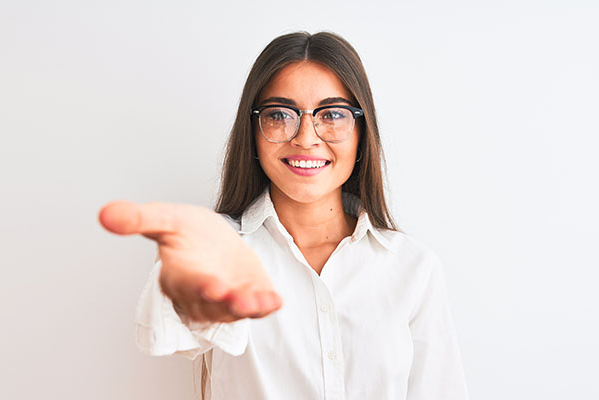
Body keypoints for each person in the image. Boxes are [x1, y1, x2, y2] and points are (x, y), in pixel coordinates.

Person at [99, 31, 469, 400]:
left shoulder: (412, 268)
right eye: (279, 114)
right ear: (254, 134)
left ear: (361, 134)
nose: (306, 137)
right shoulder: (220, 252)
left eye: (332, 114)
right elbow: (166, 329)